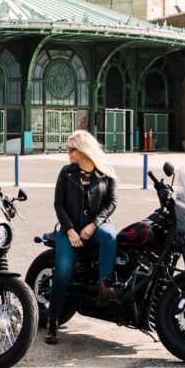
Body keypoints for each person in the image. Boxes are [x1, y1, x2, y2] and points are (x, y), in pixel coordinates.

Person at [45, 130, 118, 345]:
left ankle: (104, 285)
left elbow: (111, 203)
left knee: (111, 237)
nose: (68, 153)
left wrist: (94, 224)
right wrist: (69, 230)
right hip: (70, 229)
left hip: (95, 226)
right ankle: (52, 322)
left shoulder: (106, 172)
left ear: (84, 150)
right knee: (62, 276)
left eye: (71, 149)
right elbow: (58, 204)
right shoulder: (66, 172)